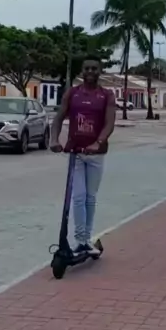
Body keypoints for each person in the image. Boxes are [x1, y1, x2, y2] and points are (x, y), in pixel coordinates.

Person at [50, 56, 116, 254]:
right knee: (77, 197)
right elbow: (58, 118)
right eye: (87, 68)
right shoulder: (72, 93)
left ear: (99, 71)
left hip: (96, 155)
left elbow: (109, 123)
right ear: (82, 70)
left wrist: (98, 142)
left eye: (94, 68)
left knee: (90, 197)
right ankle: (81, 240)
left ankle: (86, 238)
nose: (90, 72)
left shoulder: (106, 95)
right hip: (76, 153)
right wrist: (54, 139)